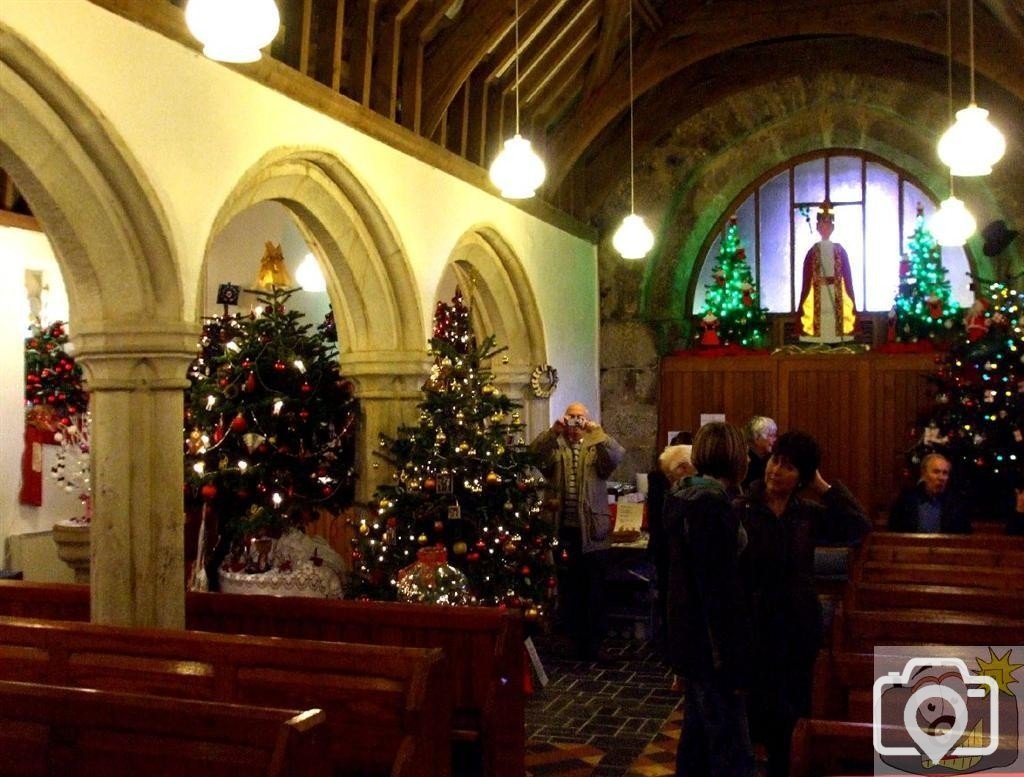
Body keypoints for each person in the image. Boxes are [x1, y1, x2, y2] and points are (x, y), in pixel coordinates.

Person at [734, 430, 870, 777]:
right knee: (753, 714)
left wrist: (823, 486)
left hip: (797, 626)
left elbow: (858, 525)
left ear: (803, 477)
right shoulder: (742, 508)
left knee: (792, 711)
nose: (776, 470)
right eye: (775, 460)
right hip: (755, 623)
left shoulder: (807, 513)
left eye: (789, 466)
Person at [663, 422, 756, 777]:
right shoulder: (712, 507)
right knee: (729, 750)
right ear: (735, 459)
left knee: (699, 738)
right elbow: (719, 590)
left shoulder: (683, 499)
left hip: (692, 639)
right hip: (714, 645)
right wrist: (732, 656)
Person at [531, 402, 625, 661]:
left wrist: (598, 433)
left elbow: (617, 456)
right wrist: (553, 432)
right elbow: (533, 456)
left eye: (580, 417)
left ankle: (594, 643)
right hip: (563, 530)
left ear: (587, 420)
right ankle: (572, 641)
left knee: (594, 589)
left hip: (592, 532)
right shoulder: (556, 448)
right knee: (569, 588)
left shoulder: (597, 448)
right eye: (571, 417)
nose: (575, 422)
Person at [646, 434, 695, 645]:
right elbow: (658, 516)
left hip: (676, 547)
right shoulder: (658, 480)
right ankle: (670, 639)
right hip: (667, 546)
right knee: (669, 595)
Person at [797, 202, 857, 344]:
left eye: (828, 224)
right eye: (822, 225)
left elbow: (846, 276)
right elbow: (807, 277)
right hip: (817, 291)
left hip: (835, 291)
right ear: (818, 227)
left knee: (835, 315)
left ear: (833, 227)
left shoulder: (839, 250)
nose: (825, 228)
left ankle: (839, 336)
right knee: (818, 314)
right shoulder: (813, 251)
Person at [888, 452, 972, 534]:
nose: (941, 478)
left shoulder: (957, 504)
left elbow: (964, 536)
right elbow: (893, 532)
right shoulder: (906, 500)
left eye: (945, 473)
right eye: (936, 472)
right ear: (924, 474)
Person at [741, 415, 777, 490]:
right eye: (771, 435)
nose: (775, 440)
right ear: (756, 438)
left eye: (775, 435)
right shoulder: (744, 460)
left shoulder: (773, 459)